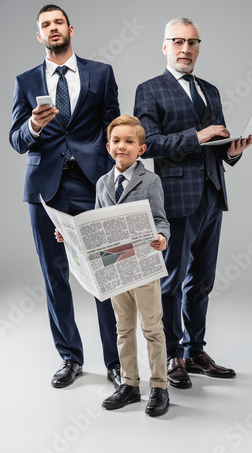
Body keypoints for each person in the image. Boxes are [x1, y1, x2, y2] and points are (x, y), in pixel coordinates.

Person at [134, 17, 252, 389]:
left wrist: (232, 152)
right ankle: (173, 354)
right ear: (165, 46)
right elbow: (149, 144)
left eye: (192, 42)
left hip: (211, 195)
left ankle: (195, 350)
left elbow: (214, 147)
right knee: (171, 282)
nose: (186, 49)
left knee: (201, 281)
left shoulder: (210, 90)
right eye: (178, 41)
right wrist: (197, 135)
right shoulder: (149, 89)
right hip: (174, 199)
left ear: (198, 47)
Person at [9, 4, 121, 390]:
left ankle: (116, 362)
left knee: (105, 273)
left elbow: (114, 127)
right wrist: (32, 126)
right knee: (55, 276)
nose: (52, 28)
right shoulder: (25, 81)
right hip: (45, 190)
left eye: (58, 22)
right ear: (39, 36)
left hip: (93, 184)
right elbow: (15, 140)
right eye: (45, 25)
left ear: (70, 28)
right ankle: (70, 358)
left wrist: (119, 177)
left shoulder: (101, 73)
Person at [82, 115, 170, 416]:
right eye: (117, 141)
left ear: (141, 148)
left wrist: (161, 236)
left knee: (152, 328)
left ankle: (160, 386)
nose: (122, 146)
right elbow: (95, 224)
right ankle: (130, 384)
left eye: (129, 141)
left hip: (143, 267)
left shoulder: (151, 181)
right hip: (115, 268)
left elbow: (161, 219)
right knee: (123, 328)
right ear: (108, 147)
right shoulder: (102, 183)